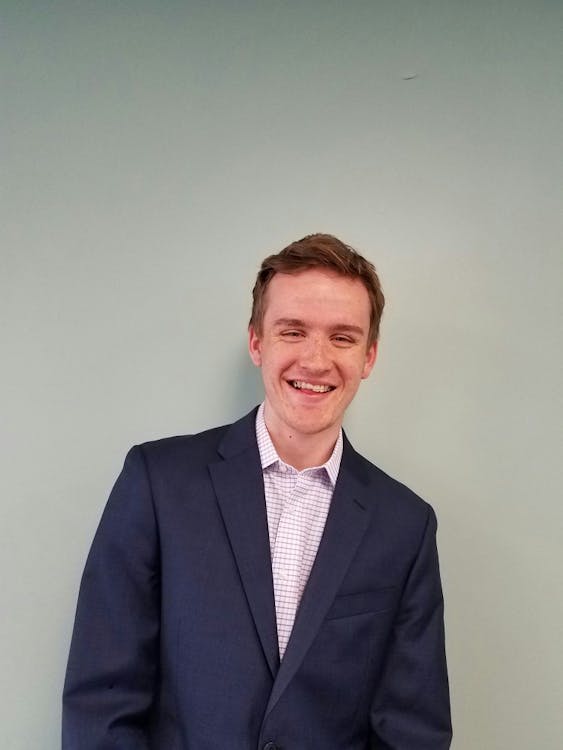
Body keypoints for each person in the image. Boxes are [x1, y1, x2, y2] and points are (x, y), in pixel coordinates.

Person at [63, 233, 452, 749]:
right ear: (256, 342)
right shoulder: (158, 483)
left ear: (369, 357)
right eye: (293, 331)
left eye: (342, 337)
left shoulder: (405, 525)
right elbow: (102, 704)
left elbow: (411, 731)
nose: (316, 360)